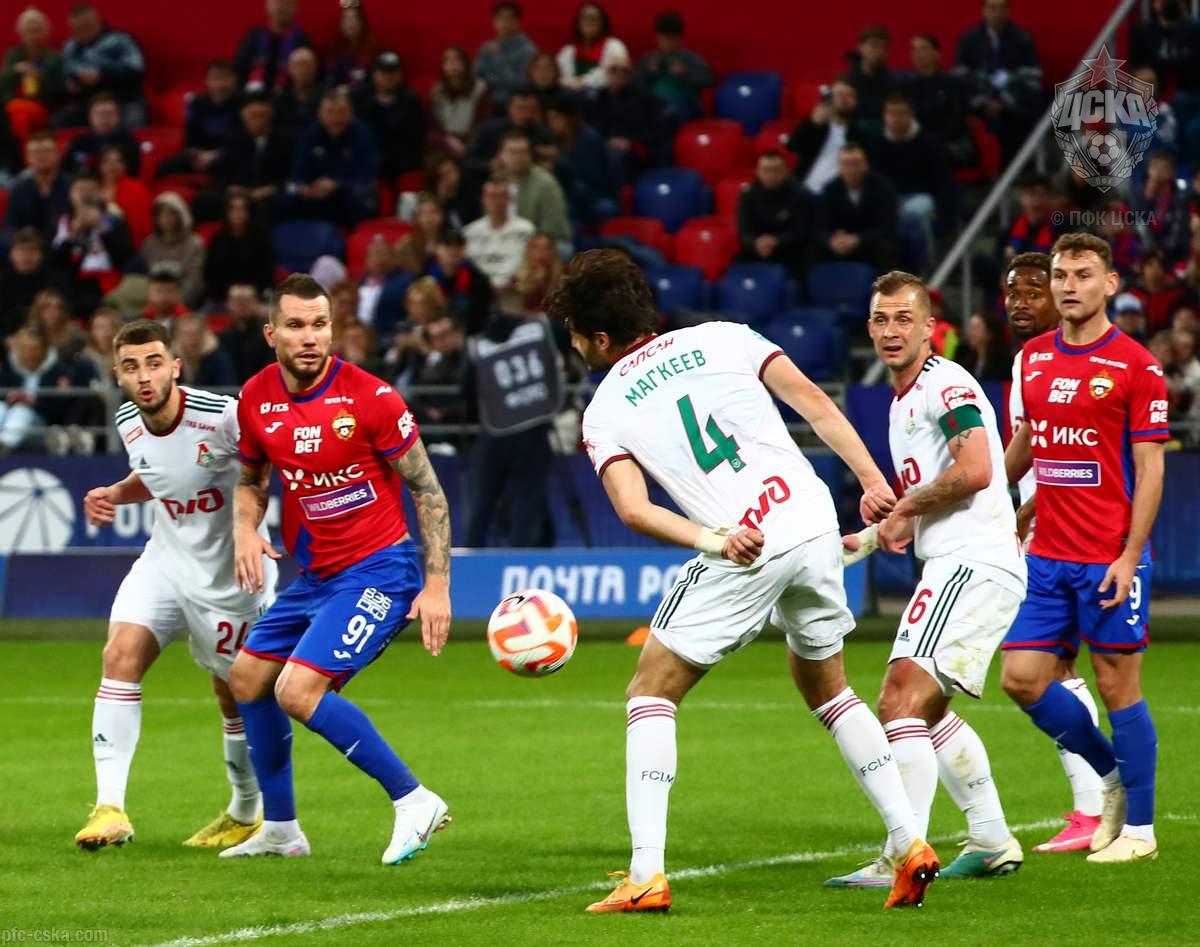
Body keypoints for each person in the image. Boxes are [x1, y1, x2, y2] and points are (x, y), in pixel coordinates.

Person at [547, 250, 937, 912]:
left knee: (650, 690)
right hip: (811, 517)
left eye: (576, 335)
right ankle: (908, 842)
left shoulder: (604, 410)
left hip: (747, 542)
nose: (576, 346)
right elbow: (813, 401)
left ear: (601, 337)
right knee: (829, 688)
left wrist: (715, 539)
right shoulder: (724, 336)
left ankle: (645, 875)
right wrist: (873, 482)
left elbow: (633, 509)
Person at [221, 273, 453, 864]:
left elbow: (428, 490)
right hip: (317, 577)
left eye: (320, 324)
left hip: (381, 571)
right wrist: (245, 528)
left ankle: (415, 800)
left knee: (297, 690)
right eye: (296, 326)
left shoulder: (372, 398)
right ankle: (281, 830)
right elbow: (251, 479)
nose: (310, 337)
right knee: (246, 679)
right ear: (271, 333)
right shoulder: (255, 398)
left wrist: (436, 585)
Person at [827, 270, 1026, 889]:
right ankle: (991, 838)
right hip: (965, 561)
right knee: (928, 712)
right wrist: (873, 535)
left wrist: (905, 507)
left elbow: (976, 470)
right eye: (881, 320)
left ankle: (903, 852)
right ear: (869, 328)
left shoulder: (946, 384)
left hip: (972, 561)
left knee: (899, 699)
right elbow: (933, 491)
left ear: (929, 328)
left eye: (904, 319)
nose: (892, 331)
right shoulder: (903, 402)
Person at [72, 319, 275, 851]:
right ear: (118, 375)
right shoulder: (127, 421)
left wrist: (248, 530)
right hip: (164, 561)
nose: (144, 376)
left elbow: (262, 470)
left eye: (154, 363)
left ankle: (246, 811)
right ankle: (109, 808)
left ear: (176, 367)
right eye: (131, 367)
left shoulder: (222, 416)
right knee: (119, 655)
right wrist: (115, 494)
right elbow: (157, 475)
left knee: (234, 693)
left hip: (230, 575)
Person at [1001, 232, 1169, 863]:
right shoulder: (1034, 357)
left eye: (1083, 274)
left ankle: (1141, 833)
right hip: (1047, 554)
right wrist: (995, 500)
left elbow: (1150, 469)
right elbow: (1033, 444)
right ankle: (1112, 773)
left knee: (1116, 685)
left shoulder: (1136, 365)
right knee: (1021, 679)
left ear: (1110, 284)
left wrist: (1129, 555)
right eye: (1061, 275)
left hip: (1108, 555)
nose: (1069, 286)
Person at [1002, 251, 1107, 853]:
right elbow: (1030, 448)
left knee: (1056, 669)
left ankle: (1097, 804)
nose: (1021, 302)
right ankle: (1097, 802)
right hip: (1044, 529)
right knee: (1057, 667)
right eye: (1012, 292)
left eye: (1033, 291)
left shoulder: (1063, 359)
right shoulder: (1030, 359)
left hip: (1066, 531)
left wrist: (1023, 515)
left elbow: (1070, 453)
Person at [461, 300, 566, 546]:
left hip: (493, 433)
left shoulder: (478, 345)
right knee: (526, 502)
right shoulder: (540, 328)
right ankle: (521, 558)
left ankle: (469, 556)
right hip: (533, 430)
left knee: (482, 503)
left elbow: (466, 391)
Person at [868, 91, 954, 275]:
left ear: (911, 115)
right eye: (891, 113)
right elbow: (874, 182)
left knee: (912, 214)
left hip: (921, 197)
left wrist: (940, 210)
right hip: (890, 199)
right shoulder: (876, 143)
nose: (896, 118)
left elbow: (943, 182)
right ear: (884, 116)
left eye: (901, 113)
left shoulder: (929, 143)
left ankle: (925, 265)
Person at [953, 0, 1043, 161]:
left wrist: (1005, 97)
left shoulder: (1022, 39)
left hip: (1012, 107)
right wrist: (983, 100)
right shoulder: (969, 40)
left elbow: (1033, 78)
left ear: (1008, 11)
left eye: (1001, 8)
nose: (997, 13)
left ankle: (1017, 166)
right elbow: (960, 77)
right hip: (978, 107)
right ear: (984, 10)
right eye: (992, 8)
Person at [287, 88, 378, 227]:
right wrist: (303, 187)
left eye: (341, 112)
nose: (336, 119)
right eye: (329, 112)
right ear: (320, 114)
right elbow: (298, 171)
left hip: (348, 198)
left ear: (351, 113)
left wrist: (336, 185)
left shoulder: (363, 135)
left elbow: (366, 178)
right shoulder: (310, 135)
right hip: (316, 197)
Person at [49, 170, 134, 315]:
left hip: (109, 288)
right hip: (73, 289)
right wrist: (74, 233)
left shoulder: (115, 221)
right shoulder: (61, 222)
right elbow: (54, 263)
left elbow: (125, 256)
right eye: (81, 190)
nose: (86, 195)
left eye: (91, 190)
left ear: (100, 193)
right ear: (71, 194)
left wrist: (102, 229)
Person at [205, 92, 293, 223]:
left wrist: (269, 189)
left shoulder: (285, 141)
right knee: (206, 200)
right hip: (239, 192)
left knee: (266, 206)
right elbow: (223, 173)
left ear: (270, 116)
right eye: (253, 115)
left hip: (268, 194)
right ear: (243, 115)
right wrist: (231, 189)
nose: (258, 120)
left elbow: (290, 176)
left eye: (262, 116)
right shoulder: (233, 140)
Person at [56, 4, 146, 128]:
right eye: (77, 29)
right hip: (88, 104)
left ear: (98, 22)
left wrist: (102, 75)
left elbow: (136, 69)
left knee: (132, 123)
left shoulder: (120, 40)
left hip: (123, 101)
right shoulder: (70, 47)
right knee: (58, 122)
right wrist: (70, 85)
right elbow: (64, 76)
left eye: (86, 27)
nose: (82, 33)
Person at [587, 49, 671, 178]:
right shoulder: (599, 97)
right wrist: (607, 141)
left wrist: (631, 142)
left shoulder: (644, 97)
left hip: (634, 150)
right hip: (605, 146)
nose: (620, 74)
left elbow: (662, 127)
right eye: (614, 70)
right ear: (605, 72)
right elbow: (593, 127)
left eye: (625, 71)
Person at [815, 142, 898, 270]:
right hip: (841, 243)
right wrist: (831, 240)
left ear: (866, 164)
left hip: (870, 241)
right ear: (839, 166)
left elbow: (887, 226)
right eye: (846, 164)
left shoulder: (882, 187)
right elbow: (820, 225)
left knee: (885, 247)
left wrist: (857, 239)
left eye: (856, 163)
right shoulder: (830, 190)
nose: (852, 169)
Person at [158, 59, 242, 178]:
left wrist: (216, 155)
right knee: (164, 166)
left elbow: (242, 141)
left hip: (228, 155)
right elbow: (190, 138)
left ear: (235, 80)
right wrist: (197, 154)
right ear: (207, 81)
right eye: (216, 78)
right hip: (199, 155)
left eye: (226, 77)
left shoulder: (243, 104)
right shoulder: (197, 103)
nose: (221, 84)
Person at [496, 129, 572, 257]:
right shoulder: (494, 182)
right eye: (513, 152)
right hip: (503, 243)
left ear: (530, 154)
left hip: (538, 246)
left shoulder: (546, 184)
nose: (518, 157)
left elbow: (553, 232)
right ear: (501, 155)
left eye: (523, 152)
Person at [903, 33, 975, 169]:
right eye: (914, 49)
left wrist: (931, 141)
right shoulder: (908, 87)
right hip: (920, 144)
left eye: (923, 49)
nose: (918, 54)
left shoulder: (953, 84)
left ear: (937, 54)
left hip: (952, 144)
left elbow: (958, 121)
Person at [351, 51, 425, 180]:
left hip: (402, 166)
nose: (388, 77)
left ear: (400, 75)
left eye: (393, 72)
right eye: (384, 72)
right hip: (367, 163)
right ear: (374, 74)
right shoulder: (359, 98)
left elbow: (416, 140)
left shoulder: (411, 100)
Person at [736, 149, 811, 276]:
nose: (771, 175)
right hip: (756, 249)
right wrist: (756, 243)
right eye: (766, 170)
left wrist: (776, 241)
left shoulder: (799, 195)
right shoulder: (747, 196)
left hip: (789, 251)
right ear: (758, 172)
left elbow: (800, 231)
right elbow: (744, 232)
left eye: (776, 170)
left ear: (785, 171)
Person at [544, 94, 617, 224]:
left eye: (556, 117)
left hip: (592, 198)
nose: (551, 123)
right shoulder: (555, 139)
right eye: (549, 119)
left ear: (569, 119)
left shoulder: (588, 140)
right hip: (571, 196)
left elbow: (590, 183)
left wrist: (559, 164)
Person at [0, 324, 73, 450]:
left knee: (21, 411)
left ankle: (4, 445)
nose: (29, 353)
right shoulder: (8, 369)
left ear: (44, 349)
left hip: (40, 425)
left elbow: (59, 410)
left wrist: (34, 403)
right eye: (25, 348)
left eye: (34, 349)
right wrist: (9, 397)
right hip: (8, 416)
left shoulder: (58, 372)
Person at [787, 79, 865, 196]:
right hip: (808, 191)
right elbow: (792, 145)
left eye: (849, 95)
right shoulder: (814, 126)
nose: (844, 99)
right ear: (830, 99)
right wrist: (812, 124)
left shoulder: (861, 134)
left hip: (842, 195)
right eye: (839, 94)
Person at [632, 11, 711, 124]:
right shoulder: (648, 59)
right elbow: (633, 83)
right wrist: (648, 73)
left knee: (667, 108)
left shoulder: (691, 59)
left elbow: (707, 80)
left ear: (680, 39)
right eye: (664, 38)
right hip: (653, 105)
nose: (667, 43)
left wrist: (684, 73)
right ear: (657, 38)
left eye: (671, 38)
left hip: (683, 106)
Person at [465, 173, 535, 292]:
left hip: (516, 291)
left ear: (509, 199)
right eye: (492, 196)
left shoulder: (526, 230)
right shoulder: (470, 232)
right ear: (483, 199)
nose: (497, 202)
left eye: (502, 196)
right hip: (479, 293)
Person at [1, 6, 64, 136]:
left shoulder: (53, 57)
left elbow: (59, 90)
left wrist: (40, 76)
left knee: (17, 115)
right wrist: (15, 70)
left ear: (45, 32)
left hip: (41, 106)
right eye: (28, 32)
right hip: (11, 103)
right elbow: (3, 83)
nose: (33, 36)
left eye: (36, 31)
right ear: (21, 34)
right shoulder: (13, 55)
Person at [203, 191, 276, 302]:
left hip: (255, 295)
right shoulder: (218, 239)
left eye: (242, 209)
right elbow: (211, 272)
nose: (238, 213)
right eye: (233, 209)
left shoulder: (262, 239)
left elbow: (267, 272)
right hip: (222, 297)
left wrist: (252, 290)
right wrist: (228, 291)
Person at [142, 191, 206, 308]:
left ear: (181, 215)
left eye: (170, 214)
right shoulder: (149, 244)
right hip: (154, 306)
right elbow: (145, 279)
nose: (165, 219)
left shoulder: (194, 244)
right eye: (161, 214)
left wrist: (178, 306)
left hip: (187, 307)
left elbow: (194, 281)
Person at [425, 228, 494, 335]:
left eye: (458, 246)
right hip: (430, 334)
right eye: (448, 245)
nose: (453, 250)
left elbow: (480, 318)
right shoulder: (425, 276)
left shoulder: (478, 280)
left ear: (464, 249)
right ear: (437, 249)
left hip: (466, 335)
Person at [5, 130, 72, 238]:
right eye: (36, 152)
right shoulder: (18, 190)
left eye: (47, 151)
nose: (41, 156)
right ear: (28, 157)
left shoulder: (72, 185)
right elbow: (11, 227)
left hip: (67, 243)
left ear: (58, 154)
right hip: (28, 244)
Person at [235, 0, 312, 93]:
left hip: (288, 97)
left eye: (287, 3)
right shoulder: (253, 38)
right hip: (252, 96)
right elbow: (239, 71)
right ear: (267, 6)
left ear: (295, 7)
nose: (281, 8)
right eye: (277, 2)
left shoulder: (302, 41)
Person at [430, 46, 489, 159]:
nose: (452, 64)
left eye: (456, 59)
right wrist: (447, 141)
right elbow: (433, 126)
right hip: (445, 142)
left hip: (472, 142)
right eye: (447, 60)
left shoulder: (480, 89)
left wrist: (467, 145)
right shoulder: (437, 91)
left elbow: (483, 124)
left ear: (466, 64)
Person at [1131, 151, 1191, 263]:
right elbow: (1136, 223)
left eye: (1163, 168)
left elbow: (1178, 231)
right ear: (1148, 170)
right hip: (1148, 253)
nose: (1158, 172)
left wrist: (1162, 252)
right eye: (1154, 167)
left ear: (1171, 173)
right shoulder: (1140, 194)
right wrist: (1147, 200)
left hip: (1172, 254)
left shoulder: (1179, 197)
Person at [0, 228, 62, 336]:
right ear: (11, 254)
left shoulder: (54, 282)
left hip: (47, 336)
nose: (27, 256)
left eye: (32, 250)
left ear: (40, 255)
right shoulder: (2, 281)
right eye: (22, 250)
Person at [476, 1, 537, 110]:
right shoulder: (488, 48)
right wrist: (493, 77)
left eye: (508, 18)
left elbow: (522, 82)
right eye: (499, 18)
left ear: (517, 22)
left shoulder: (527, 50)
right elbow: (479, 74)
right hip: (488, 104)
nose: (504, 23)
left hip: (517, 106)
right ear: (494, 22)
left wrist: (498, 60)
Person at [64, 92, 141, 177]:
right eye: (100, 114)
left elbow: (134, 172)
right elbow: (68, 169)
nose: (105, 118)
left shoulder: (128, 141)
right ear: (90, 116)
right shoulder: (79, 142)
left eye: (109, 113)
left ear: (118, 116)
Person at [557, 3, 627, 92]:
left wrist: (581, 82)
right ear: (578, 23)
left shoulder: (614, 46)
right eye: (585, 18)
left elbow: (616, 75)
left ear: (603, 23)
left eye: (594, 18)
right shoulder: (568, 51)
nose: (589, 22)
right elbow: (558, 77)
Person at [218, 283, 274, 382]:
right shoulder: (222, 338)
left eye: (247, 300)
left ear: (257, 302)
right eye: (237, 300)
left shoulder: (269, 335)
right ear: (228, 303)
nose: (242, 305)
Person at [97, 144, 150, 247]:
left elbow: (144, 226)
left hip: (130, 247)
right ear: (100, 166)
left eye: (118, 161)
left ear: (125, 166)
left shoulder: (137, 189)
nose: (112, 165)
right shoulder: (93, 188)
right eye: (107, 161)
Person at [843, 24, 895, 124]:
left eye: (884, 47)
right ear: (860, 47)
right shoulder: (846, 81)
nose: (879, 51)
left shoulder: (893, 83)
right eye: (873, 45)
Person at [271, 46, 324, 141]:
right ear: (289, 68)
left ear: (316, 67)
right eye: (298, 65)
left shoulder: (325, 97)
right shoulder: (279, 98)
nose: (303, 69)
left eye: (307, 64)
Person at [325, 0, 377, 87]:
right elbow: (329, 80)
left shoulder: (373, 49)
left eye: (355, 18)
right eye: (346, 18)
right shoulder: (333, 50)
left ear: (362, 22)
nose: (351, 22)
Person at [26, 285, 84, 361]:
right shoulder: (28, 334)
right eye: (47, 307)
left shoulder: (75, 335)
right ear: (38, 310)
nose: (53, 312)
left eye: (58, 307)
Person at [512, 231, 562, 313]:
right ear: (528, 251)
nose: (541, 252)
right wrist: (533, 283)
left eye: (546, 248)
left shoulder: (562, 279)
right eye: (536, 247)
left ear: (553, 252)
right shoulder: (517, 279)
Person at [395, 193, 445, 275]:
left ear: (442, 215)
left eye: (433, 211)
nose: (429, 217)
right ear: (417, 217)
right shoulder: (407, 243)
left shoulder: (449, 240)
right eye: (424, 213)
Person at [954, 311, 1009, 382]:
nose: (972, 333)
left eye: (976, 328)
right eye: (971, 328)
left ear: (990, 333)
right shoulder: (963, 357)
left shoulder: (1004, 363)